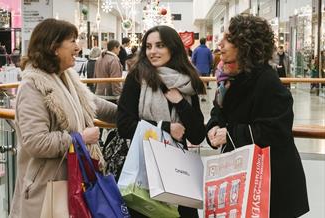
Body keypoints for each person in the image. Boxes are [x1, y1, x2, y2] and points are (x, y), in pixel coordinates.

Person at [9, 18, 117, 218]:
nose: (78, 47)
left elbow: (93, 103)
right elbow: (35, 142)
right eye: (73, 41)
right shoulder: (33, 86)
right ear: (54, 47)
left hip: (70, 180)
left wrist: (129, 113)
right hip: (46, 188)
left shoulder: (66, 77)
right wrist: (80, 138)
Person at [206, 14, 309, 217]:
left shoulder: (267, 81)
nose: (220, 43)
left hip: (272, 184)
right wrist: (213, 127)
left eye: (228, 39)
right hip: (244, 176)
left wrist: (230, 134)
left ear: (245, 45)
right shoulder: (229, 78)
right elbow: (219, 112)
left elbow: (275, 130)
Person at [117, 25, 206, 218]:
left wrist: (181, 102)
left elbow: (198, 134)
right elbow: (124, 125)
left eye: (159, 45)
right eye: (148, 46)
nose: (152, 52)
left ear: (172, 48)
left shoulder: (187, 82)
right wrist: (164, 127)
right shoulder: (137, 77)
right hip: (144, 170)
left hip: (178, 170)